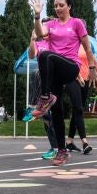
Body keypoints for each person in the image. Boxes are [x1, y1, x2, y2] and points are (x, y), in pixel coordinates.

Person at [29, 0, 97, 166]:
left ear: (69, 6)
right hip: (55, 73)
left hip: (70, 67)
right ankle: (61, 151)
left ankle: (45, 97)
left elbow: (88, 48)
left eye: (61, 5)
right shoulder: (51, 24)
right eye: (55, 5)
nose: (58, 8)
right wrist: (37, 16)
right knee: (57, 112)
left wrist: (91, 68)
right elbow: (38, 34)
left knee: (46, 55)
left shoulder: (77, 23)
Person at [65, 45, 97, 155]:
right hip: (72, 78)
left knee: (77, 110)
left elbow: (94, 61)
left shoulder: (88, 45)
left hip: (85, 80)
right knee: (78, 109)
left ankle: (69, 141)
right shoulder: (70, 42)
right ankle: (85, 142)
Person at [23, 22, 58, 160]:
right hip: (43, 83)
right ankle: (54, 147)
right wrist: (32, 39)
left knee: (53, 115)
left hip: (54, 78)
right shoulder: (39, 43)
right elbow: (31, 55)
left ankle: (57, 147)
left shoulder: (54, 41)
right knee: (46, 116)